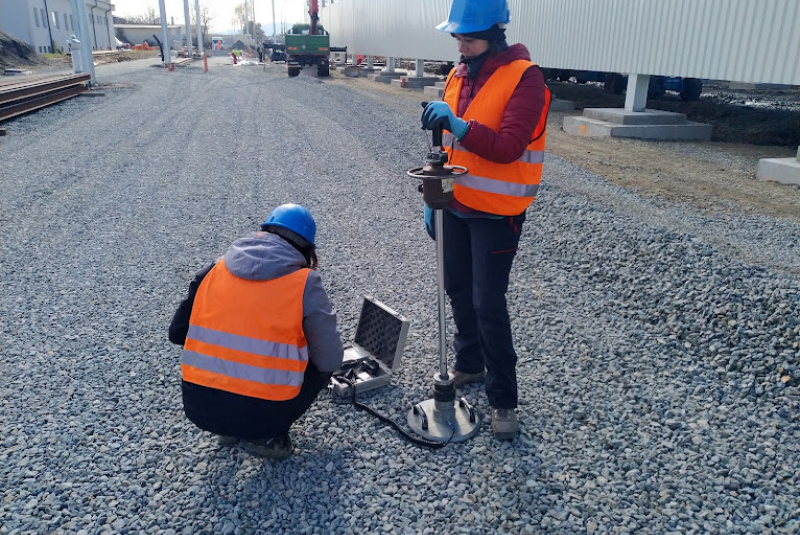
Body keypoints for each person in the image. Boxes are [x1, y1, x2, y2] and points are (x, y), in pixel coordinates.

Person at [420, 0, 550, 440]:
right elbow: (449, 147)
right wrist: (432, 194)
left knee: (487, 302)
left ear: (497, 34)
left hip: (498, 212)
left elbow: (510, 145)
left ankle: (503, 401)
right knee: (456, 287)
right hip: (456, 205)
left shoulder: (525, 79)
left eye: (469, 38)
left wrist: (458, 126)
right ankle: (470, 364)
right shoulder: (459, 74)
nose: (461, 46)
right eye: (457, 37)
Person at [168, 204, 343, 459]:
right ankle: (271, 438)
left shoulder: (214, 270)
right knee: (321, 363)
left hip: (199, 408)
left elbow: (177, 333)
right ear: (307, 249)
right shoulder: (304, 283)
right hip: (262, 418)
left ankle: (227, 429)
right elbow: (330, 358)